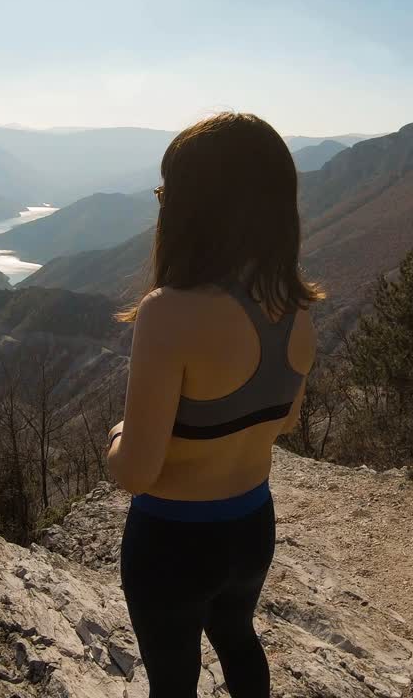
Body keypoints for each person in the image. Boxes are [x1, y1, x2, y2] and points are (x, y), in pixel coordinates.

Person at [105, 112, 321, 697]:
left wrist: (119, 437)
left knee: (173, 679)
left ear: (189, 207)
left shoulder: (168, 313)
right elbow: (286, 421)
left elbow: (136, 472)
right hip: (252, 524)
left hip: (172, 540)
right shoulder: (297, 308)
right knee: (238, 635)